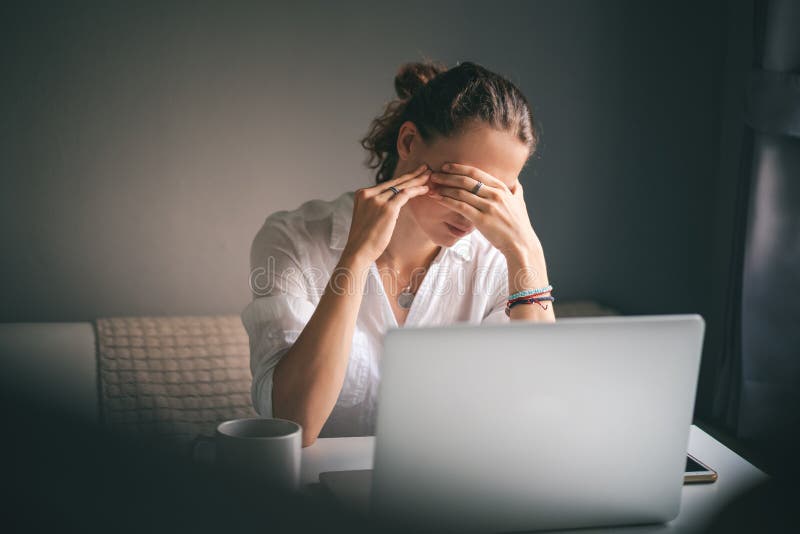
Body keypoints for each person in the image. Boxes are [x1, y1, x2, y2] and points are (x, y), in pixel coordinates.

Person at [242, 60, 555, 447]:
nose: (474, 218)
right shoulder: (295, 239)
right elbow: (294, 424)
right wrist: (355, 258)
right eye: (464, 186)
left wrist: (528, 253)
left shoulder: (496, 262)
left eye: (495, 197)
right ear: (408, 143)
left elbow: (538, 423)